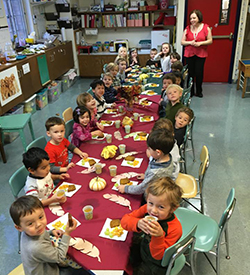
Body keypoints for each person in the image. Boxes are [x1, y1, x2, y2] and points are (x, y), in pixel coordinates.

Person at [9, 195, 87, 275]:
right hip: (51, 271)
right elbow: (60, 257)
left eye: (40, 217)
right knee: (83, 269)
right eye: (30, 223)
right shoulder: (36, 247)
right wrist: (67, 234)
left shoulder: (26, 230)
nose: (39, 224)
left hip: (44, 264)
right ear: (19, 228)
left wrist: (51, 232)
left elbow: (40, 234)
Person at [121, 177, 183, 275]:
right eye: (151, 203)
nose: (153, 211)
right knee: (121, 257)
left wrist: (158, 236)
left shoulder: (175, 229)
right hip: (144, 248)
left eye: (161, 207)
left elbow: (158, 256)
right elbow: (124, 221)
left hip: (155, 264)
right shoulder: (147, 209)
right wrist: (137, 223)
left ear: (173, 208)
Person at [117, 129, 175, 195]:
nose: (148, 151)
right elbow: (157, 176)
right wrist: (147, 176)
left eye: (149, 149)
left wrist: (125, 188)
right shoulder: (167, 156)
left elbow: (141, 188)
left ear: (158, 152)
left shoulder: (155, 172)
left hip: (154, 195)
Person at [181, 9, 213, 97]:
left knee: (199, 73)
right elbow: (182, 42)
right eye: (191, 18)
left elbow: (210, 41)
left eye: (194, 18)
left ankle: (199, 91)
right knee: (190, 73)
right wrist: (190, 42)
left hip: (201, 54)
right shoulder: (187, 28)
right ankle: (190, 92)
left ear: (199, 18)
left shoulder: (206, 27)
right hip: (189, 53)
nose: (192, 20)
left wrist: (200, 43)